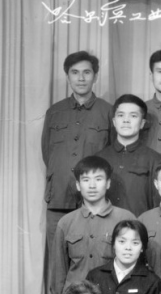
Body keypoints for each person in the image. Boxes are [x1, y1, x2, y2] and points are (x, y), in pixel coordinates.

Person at [48, 156, 135, 294]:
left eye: (98, 179)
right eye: (86, 180)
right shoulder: (66, 222)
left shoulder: (126, 219)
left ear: (108, 183)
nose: (92, 185)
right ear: (78, 185)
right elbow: (59, 270)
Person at [42, 51, 112, 255]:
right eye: (75, 72)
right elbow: (47, 154)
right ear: (67, 77)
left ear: (95, 76)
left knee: (94, 256)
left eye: (86, 72)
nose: (81, 78)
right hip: (59, 198)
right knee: (59, 259)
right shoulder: (54, 112)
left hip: (95, 200)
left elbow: (112, 156)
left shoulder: (108, 112)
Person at [96, 93, 161, 216]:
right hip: (103, 225)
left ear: (142, 123)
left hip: (139, 225)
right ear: (114, 121)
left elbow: (158, 205)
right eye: (121, 115)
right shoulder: (99, 158)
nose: (126, 120)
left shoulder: (155, 160)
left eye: (133, 116)